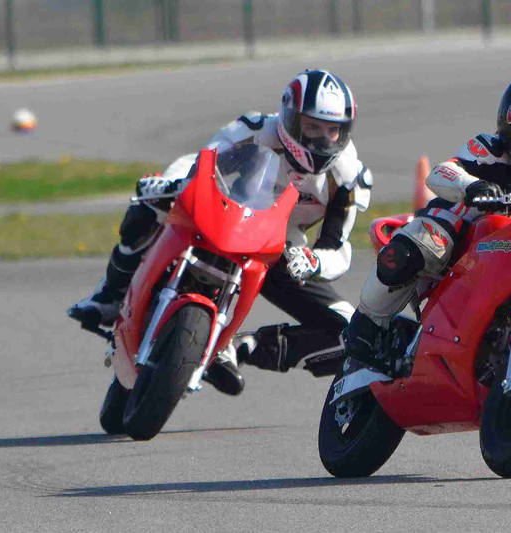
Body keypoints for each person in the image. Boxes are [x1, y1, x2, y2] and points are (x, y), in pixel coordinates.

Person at [69, 69, 373, 395]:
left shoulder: (349, 177)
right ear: (289, 116)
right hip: (221, 211)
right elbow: (203, 162)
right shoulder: (253, 129)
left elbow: (338, 249)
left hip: (279, 248)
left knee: (354, 332)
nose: (321, 139)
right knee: (149, 202)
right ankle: (111, 293)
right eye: (312, 127)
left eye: (332, 131)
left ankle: (240, 348)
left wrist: (312, 261)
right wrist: (173, 186)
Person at [342, 67, 511, 375]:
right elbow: (440, 173)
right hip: (465, 237)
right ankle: (364, 329)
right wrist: (472, 186)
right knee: (423, 242)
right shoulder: (491, 150)